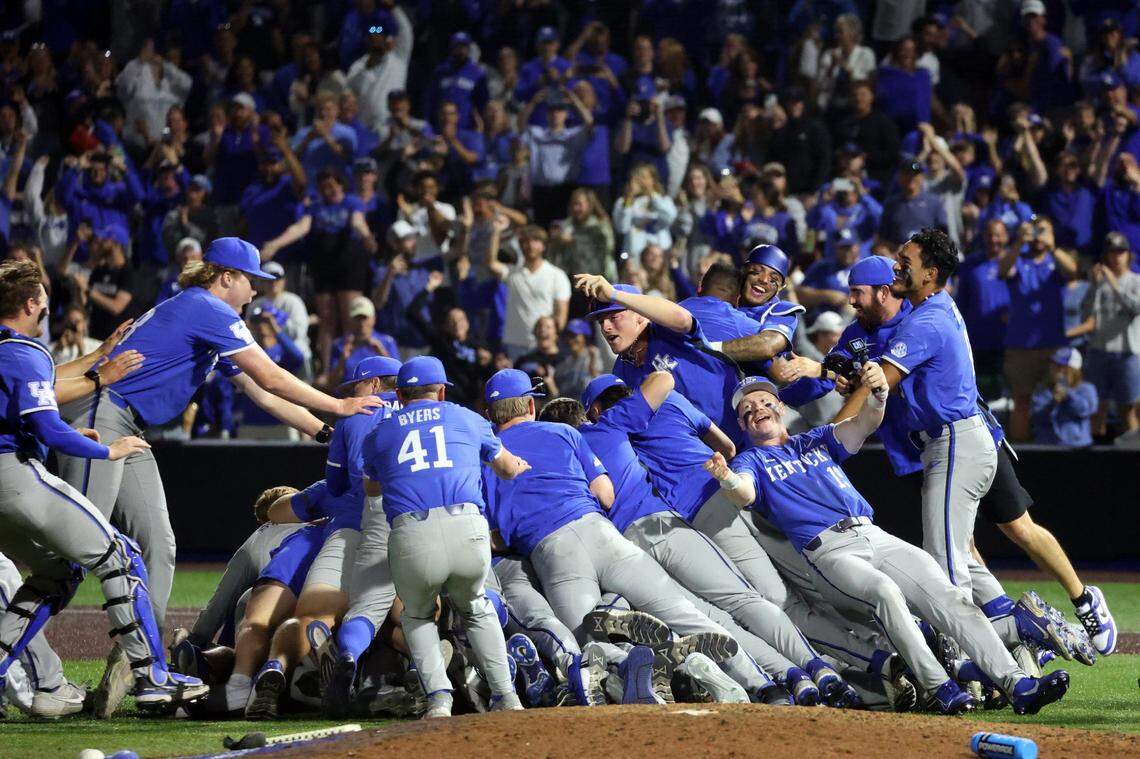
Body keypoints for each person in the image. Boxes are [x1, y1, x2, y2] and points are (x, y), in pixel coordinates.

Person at [55, 238, 382, 717]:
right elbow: (270, 378)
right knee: (73, 548)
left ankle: (140, 665)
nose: (255, 293)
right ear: (225, 276)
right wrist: (339, 404)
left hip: (130, 425)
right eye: (251, 281)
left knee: (158, 544)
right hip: (104, 414)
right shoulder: (206, 307)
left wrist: (329, 431)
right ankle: (21, 663)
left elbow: (263, 398)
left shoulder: (205, 315)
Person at [707, 372, 1070, 716]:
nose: (757, 410)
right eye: (747, 410)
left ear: (780, 408)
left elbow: (863, 424)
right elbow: (745, 492)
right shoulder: (751, 460)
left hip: (872, 534)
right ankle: (940, 686)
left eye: (763, 401)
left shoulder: (814, 440)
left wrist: (879, 394)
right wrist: (725, 477)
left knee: (947, 593)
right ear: (742, 426)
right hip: (829, 552)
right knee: (885, 593)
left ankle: (1017, 683)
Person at [837, 229, 1074, 661]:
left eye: (906, 262)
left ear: (930, 273)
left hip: (955, 441)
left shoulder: (927, 319)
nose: (897, 267)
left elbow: (882, 384)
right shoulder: (928, 308)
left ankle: (984, 662)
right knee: (958, 554)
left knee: (945, 568)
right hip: (957, 441)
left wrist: (830, 419)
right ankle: (1019, 630)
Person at [564, 372, 860, 707]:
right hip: (677, 519)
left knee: (709, 616)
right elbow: (667, 382)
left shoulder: (572, 450)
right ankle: (819, 668)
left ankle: (781, 680)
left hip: (628, 545)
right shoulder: (615, 424)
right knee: (752, 597)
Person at [0, 259, 209, 716]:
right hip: (10, 474)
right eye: (44, 298)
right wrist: (105, 452)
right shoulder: (24, 349)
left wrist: (97, 362)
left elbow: (40, 383)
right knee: (122, 556)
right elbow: (46, 423)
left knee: (55, 574)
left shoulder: (10, 350)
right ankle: (153, 678)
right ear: (32, 302)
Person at [481, 368, 752, 707]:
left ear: (489, 415)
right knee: (687, 614)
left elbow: (493, 537)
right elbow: (605, 494)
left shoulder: (484, 457)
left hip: (553, 552)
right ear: (531, 406)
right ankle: (760, 684)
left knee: (586, 641)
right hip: (602, 533)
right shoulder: (563, 433)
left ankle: (634, 658)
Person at [360, 356, 530, 718]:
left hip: (412, 535)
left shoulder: (380, 432)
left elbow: (372, 487)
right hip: (466, 528)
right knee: (477, 606)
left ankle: (439, 700)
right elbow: (507, 468)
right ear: (440, 391)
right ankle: (506, 696)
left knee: (418, 616)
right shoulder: (467, 417)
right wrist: (518, 465)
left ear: (400, 396)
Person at [260, 169, 380, 381]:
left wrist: (367, 236)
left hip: (348, 263)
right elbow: (300, 228)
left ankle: (356, 367)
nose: (329, 189)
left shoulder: (351, 203)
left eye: (332, 184)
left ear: (340, 184)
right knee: (327, 319)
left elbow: (358, 222)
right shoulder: (315, 207)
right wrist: (275, 244)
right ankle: (326, 369)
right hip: (323, 264)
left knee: (349, 316)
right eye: (324, 185)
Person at [999, 217, 1078, 442]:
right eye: (1035, 231)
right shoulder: (1019, 260)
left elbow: (1073, 271)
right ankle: (1022, 452)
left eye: (1043, 231)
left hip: (1053, 345)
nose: (1038, 236)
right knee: (1021, 400)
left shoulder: (1056, 261)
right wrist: (1018, 242)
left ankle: (1057, 447)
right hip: (1021, 345)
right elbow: (1003, 270)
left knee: (1059, 396)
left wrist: (1053, 247)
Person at [1079, 232, 1140, 439]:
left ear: (1128, 255)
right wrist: (1095, 286)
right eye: (1112, 252)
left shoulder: (1135, 281)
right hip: (1099, 351)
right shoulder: (1099, 282)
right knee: (1097, 408)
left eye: (1121, 252)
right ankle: (1096, 456)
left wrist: (1113, 283)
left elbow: (1135, 308)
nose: (1116, 257)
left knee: (1128, 409)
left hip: (1127, 353)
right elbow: (1086, 313)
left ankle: (1132, 453)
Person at [487, 221, 571, 360]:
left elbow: (560, 319)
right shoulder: (512, 273)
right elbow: (491, 264)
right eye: (526, 241)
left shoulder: (557, 275)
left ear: (543, 245)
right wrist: (496, 232)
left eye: (536, 240)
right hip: (513, 345)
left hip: (542, 347)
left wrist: (547, 340)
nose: (531, 245)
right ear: (520, 246)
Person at [1031, 348, 1097, 447]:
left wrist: (1068, 395)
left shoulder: (1086, 389)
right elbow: (1037, 417)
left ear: (1073, 369)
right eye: (1053, 365)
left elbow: (1085, 410)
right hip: (1047, 446)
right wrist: (1053, 403)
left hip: (1078, 446)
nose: (1055, 370)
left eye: (1061, 366)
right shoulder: (1043, 389)